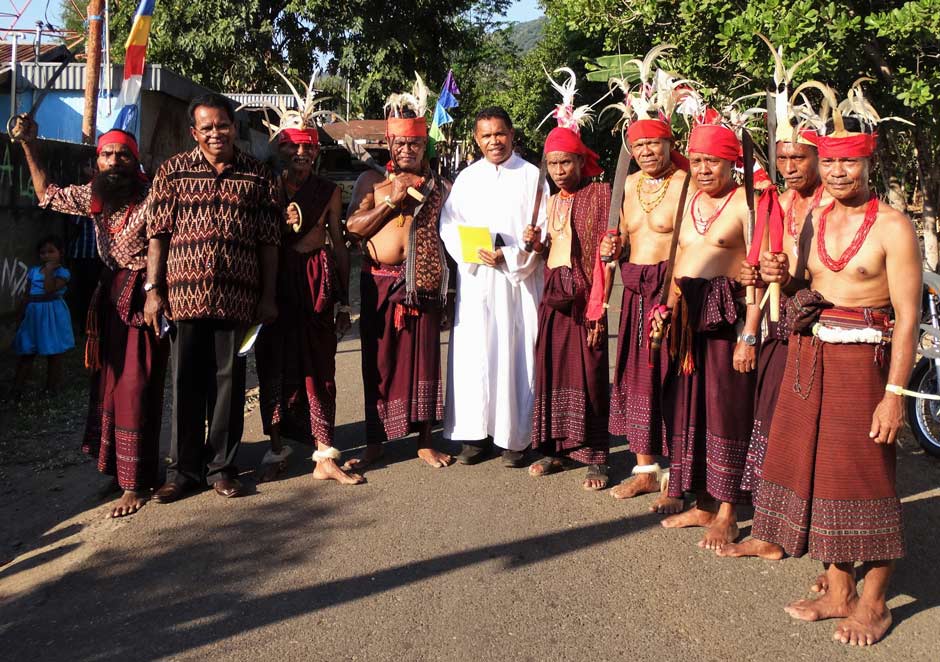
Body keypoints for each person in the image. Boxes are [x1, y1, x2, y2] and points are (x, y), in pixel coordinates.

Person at [727, 100, 919, 647]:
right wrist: (776, 274)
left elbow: (907, 319)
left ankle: (875, 601)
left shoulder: (893, 227)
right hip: (810, 355)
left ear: (868, 164)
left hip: (865, 361)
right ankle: (839, 589)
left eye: (849, 164)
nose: (837, 173)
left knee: (866, 479)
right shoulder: (812, 218)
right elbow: (795, 287)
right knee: (818, 473)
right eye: (830, 162)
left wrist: (895, 396)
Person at [16, 118, 168, 518]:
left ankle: (136, 481)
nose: (114, 161)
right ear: (97, 161)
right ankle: (119, 470)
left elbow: (158, 243)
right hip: (108, 294)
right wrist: (30, 147)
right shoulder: (93, 197)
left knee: (136, 384)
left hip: (143, 294)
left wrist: (154, 292)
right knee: (109, 384)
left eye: (122, 155)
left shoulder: (154, 195)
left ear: (135, 162)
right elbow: (46, 194)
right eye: (107, 155)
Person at [145, 93, 280, 501]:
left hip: (236, 297)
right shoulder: (172, 171)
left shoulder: (257, 176)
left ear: (234, 127)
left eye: (223, 125)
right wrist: (153, 291)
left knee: (229, 383)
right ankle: (184, 472)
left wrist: (267, 295)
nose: (216, 133)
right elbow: (158, 235)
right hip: (183, 296)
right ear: (194, 132)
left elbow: (269, 241)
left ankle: (222, 467)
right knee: (185, 382)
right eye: (207, 127)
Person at [653, 119, 761, 549]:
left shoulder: (744, 205)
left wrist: (749, 333)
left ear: (732, 162)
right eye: (696, 160)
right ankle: (702, 502)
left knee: (727, 413)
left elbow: (754, 274)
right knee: (689, 411)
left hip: (725, 320)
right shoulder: (688, 200)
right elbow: (679, 259)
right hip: (685, 319)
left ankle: (730, 512)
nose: (701, 169)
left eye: (712, 161)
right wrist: (665, 310)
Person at [344, 77, 453, 471]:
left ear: (425, 146)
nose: (407, 150)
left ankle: (425, 440)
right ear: (389, 145)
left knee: (425, 362)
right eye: (400, 143)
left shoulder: (441, 187)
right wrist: (390, 203)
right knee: (378, 363)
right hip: (379, 284)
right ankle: (375, 442)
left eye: (415, 144)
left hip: (423, 285)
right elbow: (353, 228)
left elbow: (454, 243)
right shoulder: (371, 182)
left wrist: (451, 296)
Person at [600, 51, 692, 511]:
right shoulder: (628, 187)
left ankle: (678, 472)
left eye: (654, 145)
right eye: (639, 147)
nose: (647, 153)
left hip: (676, 291)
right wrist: (612, 252)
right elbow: (622, 241)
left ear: (669, 142)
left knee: (677, 379)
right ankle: (644, 466)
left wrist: (677, 297)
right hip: (636, 291)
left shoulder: (688, 181)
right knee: (637, 378)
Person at [253, 114, 361, 484]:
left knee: (320, 368)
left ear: (317, 151)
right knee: (274, 365)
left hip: (315, 285)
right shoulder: (265, 188)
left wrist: (345, 302)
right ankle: (277, 448)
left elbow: (338, 242)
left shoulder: (328, 191)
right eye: (293, 145)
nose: (301, 153)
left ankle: (323, 455)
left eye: (308, 147)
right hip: (274, 283)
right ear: (280, 147)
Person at [440, 106, 547, 467]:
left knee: (515, 354)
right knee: (475, 356)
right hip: (477, 280)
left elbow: (545, 229)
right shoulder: (468, 179)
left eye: (499, 133)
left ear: (512, 134)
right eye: (486, 136)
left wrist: (512, 256)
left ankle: (515, 437)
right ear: (476, 139)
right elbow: (449, 225)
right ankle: (475, 434)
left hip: (516, 283)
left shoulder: (533, 177)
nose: (493, 141)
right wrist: (473, 253)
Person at [522, 77, 612, 490]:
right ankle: (555, 450)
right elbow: (551, 249)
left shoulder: (600, 193)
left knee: (590, 372)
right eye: (553, 164)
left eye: (566, 163)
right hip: (553, 296)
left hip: (587, 297)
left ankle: (596, 455)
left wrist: (599, 304)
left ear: (581, 161)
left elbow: (608, 250)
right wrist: (537, 245)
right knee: (553, 370)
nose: (559, 171)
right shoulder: (551, 199)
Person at [11, 235, 74, 396]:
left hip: (52, 314)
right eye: (43, 253)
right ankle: (17, 388)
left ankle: (52, 388)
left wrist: (49, 271)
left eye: (51, 251)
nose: (47, 255)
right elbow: (26, 294)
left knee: (54, 353)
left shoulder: (63, 273)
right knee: (27, 351)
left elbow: (49, 289)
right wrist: (20, 316)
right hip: (33, 315)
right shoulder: (33, 272)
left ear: (61, 252)